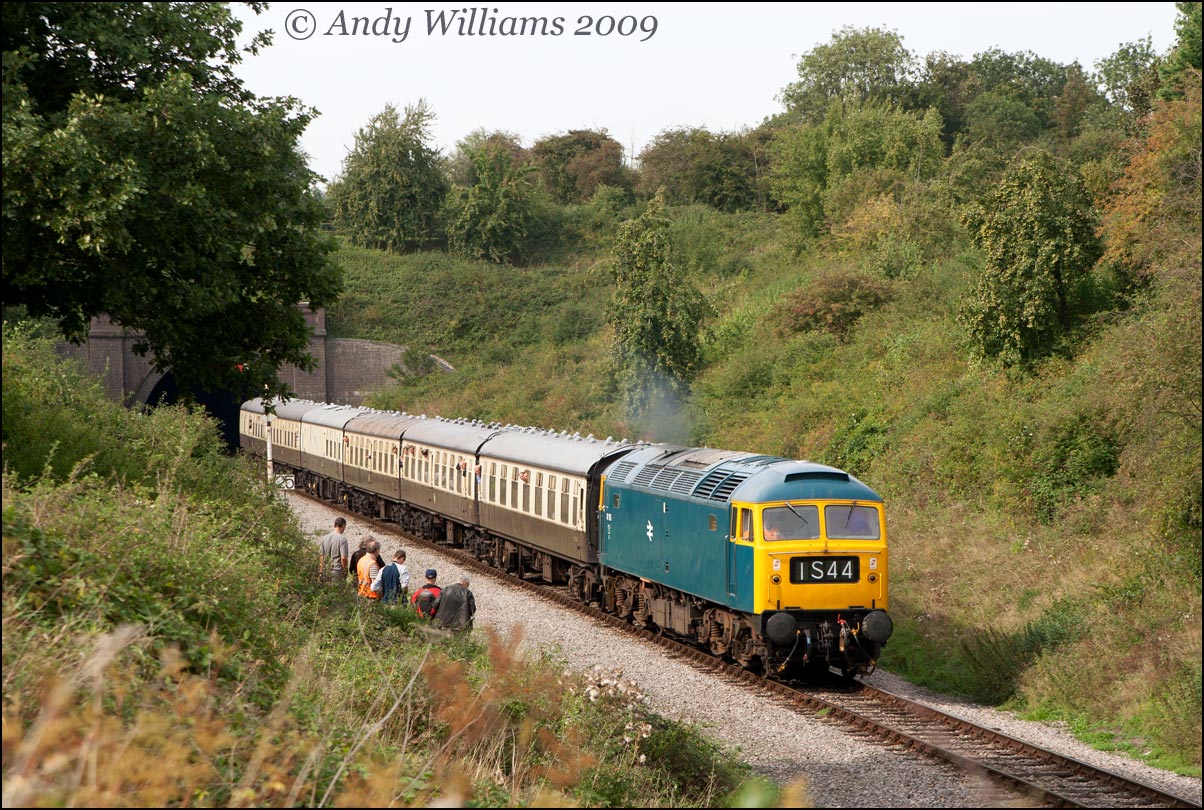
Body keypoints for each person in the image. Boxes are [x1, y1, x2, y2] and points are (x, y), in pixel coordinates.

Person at [317, 517, 349, 583]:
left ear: (334, 525)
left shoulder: (325, 538)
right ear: (343, 526)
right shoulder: (342, 539)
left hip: (326, 569)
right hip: (337, 571)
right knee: (337, 591)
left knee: (326, 591)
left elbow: (321, 556)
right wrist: (345, 570)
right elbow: (343, 558)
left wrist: (321, 571)